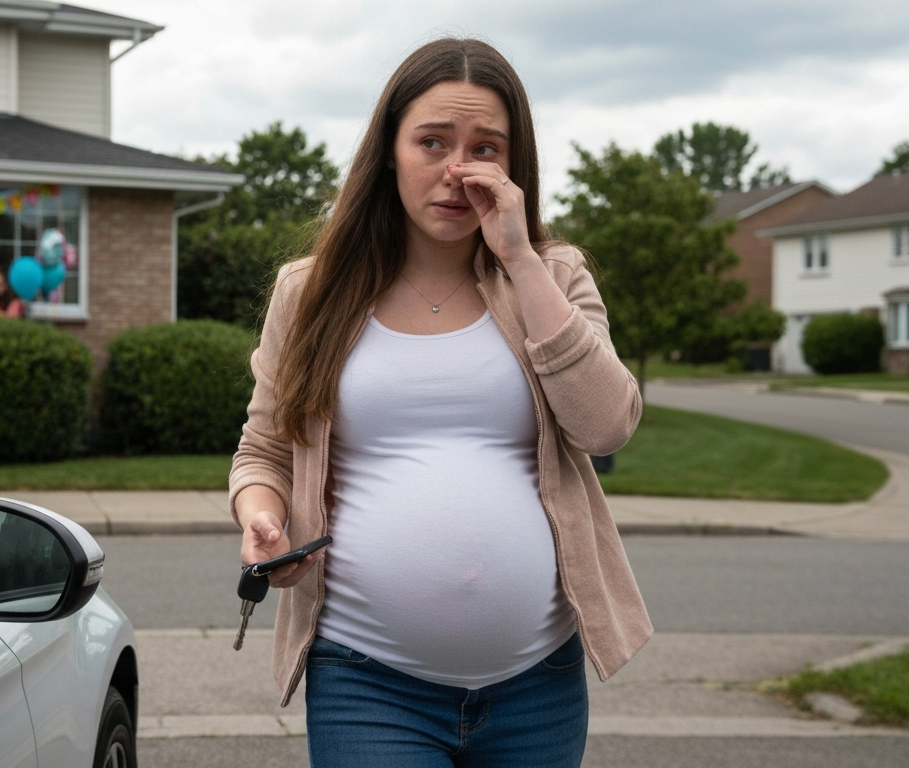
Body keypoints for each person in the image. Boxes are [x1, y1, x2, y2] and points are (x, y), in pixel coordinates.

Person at [230, 38, 651, 767]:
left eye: (485, 148)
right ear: (388, 150)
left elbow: (607, 424)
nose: (459, 171)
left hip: (538, 685)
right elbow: (264, 449)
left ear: (514, 166)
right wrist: (263, 518)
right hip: (368, 680)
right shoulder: (311, 291)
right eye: (432, 142)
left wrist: (520, 260)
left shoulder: (552, 274)